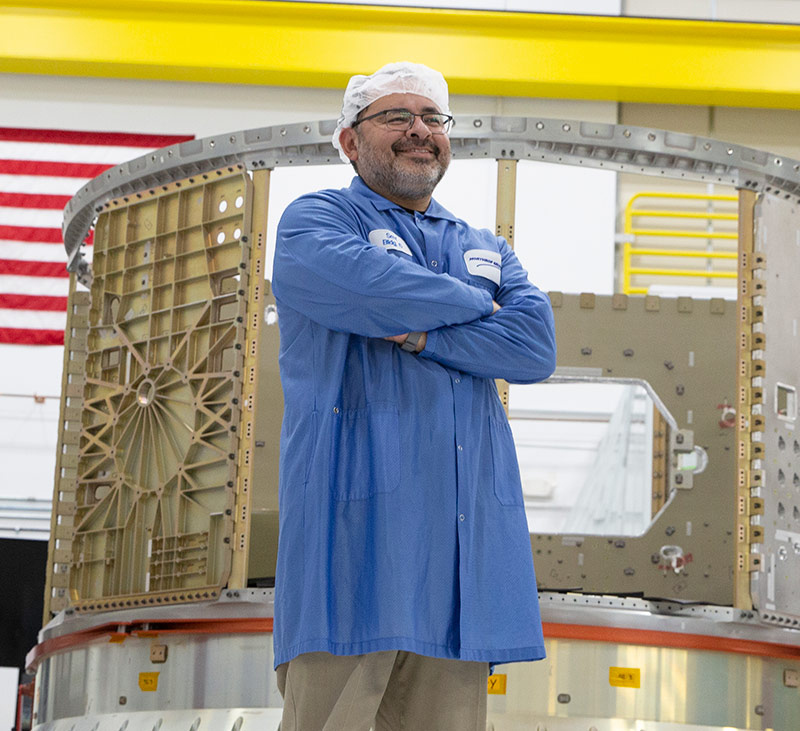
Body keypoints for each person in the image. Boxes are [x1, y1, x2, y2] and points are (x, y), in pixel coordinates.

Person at [271, 61, 557, 731]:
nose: (418, 131)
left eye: (432, 118)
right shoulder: (314, 221)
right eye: (396, 117)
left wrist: (421, 336)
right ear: (350, 140)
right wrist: (470, 305)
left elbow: (533, 347)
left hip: (461, 571)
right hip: (352, 553)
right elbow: (368, 286)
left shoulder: (483, 245)